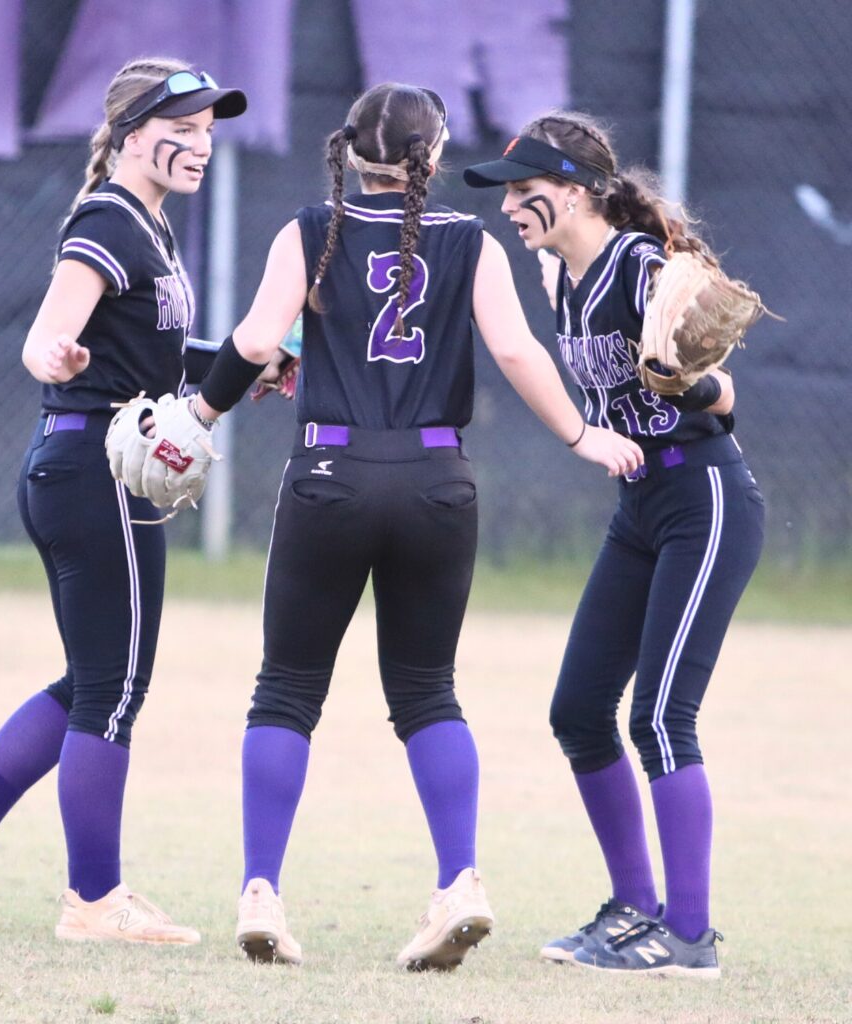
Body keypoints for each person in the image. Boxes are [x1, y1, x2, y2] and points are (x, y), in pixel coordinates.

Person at [181, 83, 643, 970]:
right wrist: (584, 434)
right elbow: (515, 351)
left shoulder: (309, 230)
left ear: (350, 151)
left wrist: (198, 417)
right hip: (436, 478)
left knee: (285, 691)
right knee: (428, 691)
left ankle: (262, 893)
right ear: (431, 160)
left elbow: (252, 340)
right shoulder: (470, 241)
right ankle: (460, 881)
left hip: (330, 472)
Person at [0, 57, 247, 944]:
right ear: (134, 132)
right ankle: (95, 901)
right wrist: (52, 356)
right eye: (184, 125)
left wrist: (248, 366)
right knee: (115, 688)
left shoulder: (152, 229)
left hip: (79, 469)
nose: (201, 142)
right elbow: (46, 337)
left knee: (93, 680)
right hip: (97, 472)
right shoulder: (107, 216)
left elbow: (159, 362)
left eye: (211, 129)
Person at [464, 111, 766, 977]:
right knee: (577, 711)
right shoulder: (563, 280)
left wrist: (690, 377)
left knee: (662, 718)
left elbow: (726, 397)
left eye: (528, 193)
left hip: (703, 494)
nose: (513, 208)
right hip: (640, 505)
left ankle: (691, 936)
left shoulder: (640, 265)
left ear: (579, 191)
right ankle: (637, 909)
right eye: (507, 194)